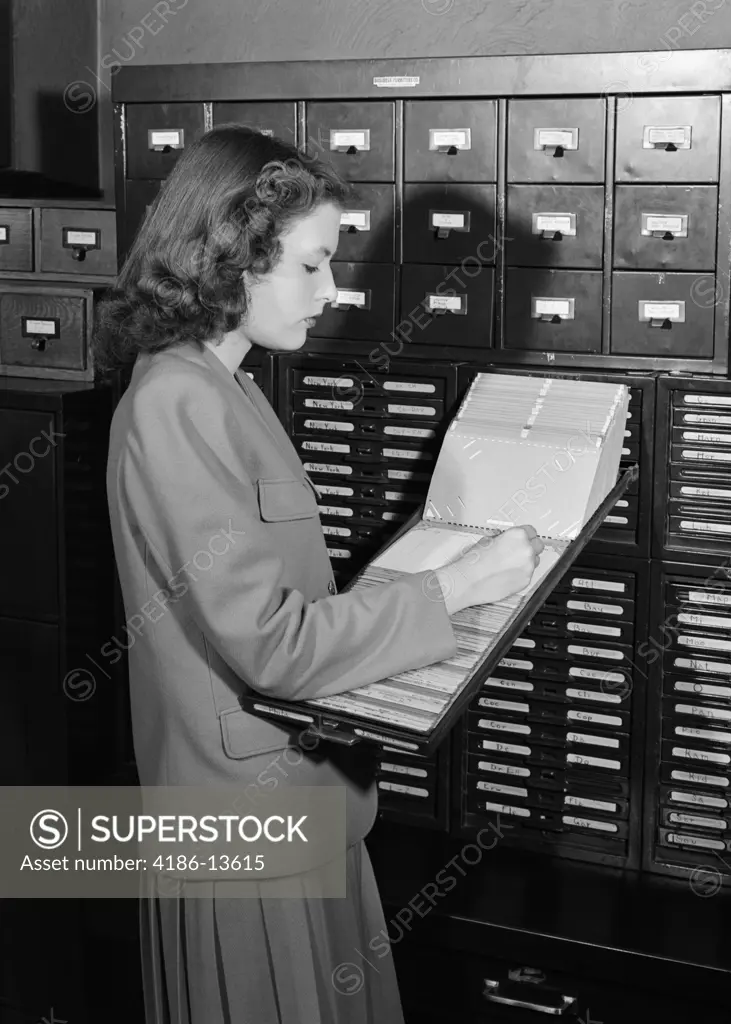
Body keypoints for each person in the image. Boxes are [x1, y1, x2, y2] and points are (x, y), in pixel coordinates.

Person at [94, 124, 544, 1024]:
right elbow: (271, 647)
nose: (332, 291)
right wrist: (454, 590)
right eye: (309, 266)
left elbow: (277, 604)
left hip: (298, 810)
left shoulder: (228, 385)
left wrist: (437, 569)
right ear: (228, 260)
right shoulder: (178, 400)